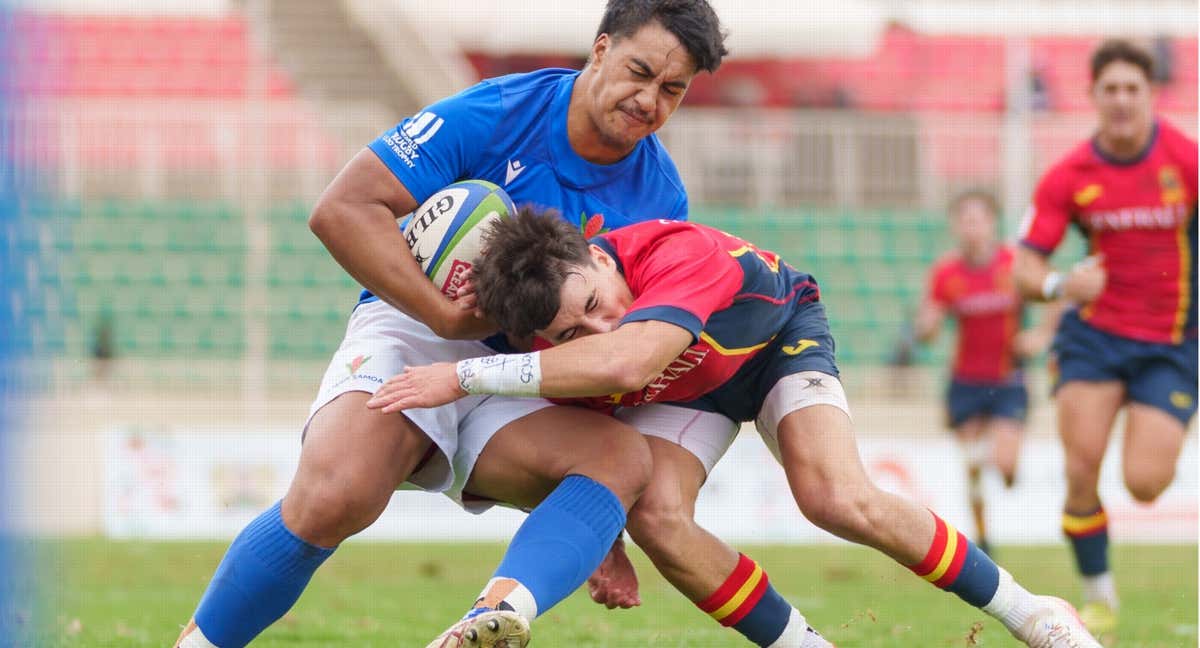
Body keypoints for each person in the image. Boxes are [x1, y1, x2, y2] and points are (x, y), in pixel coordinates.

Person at [172, 2, 740, 647]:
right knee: (337, 497)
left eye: (672, 89)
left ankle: (484, 626)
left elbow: (623, 347)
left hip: (530, 369)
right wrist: (442, 312)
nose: (648, 100)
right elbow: (344, 208)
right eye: (639, 71)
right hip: (418, 329)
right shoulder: (497, 112)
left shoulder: (663, 198)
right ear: (602, 48)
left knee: (620, 458)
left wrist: (599, 521)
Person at [369, 210, 1105, 648]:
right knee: (658, 516)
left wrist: (463, 375)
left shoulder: (677, 253)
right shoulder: (547, 344)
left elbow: (631, 358)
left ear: (598, 256)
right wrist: (608, 544)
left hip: (774, 341)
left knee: (834, 497)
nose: (598, 323)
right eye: (571, 332)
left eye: (596, 299)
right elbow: (593, 419)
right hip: (687, 390)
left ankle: (1035, 613)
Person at [1012, 38, 1197, 635]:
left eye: (1132, 89)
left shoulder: (1185, 161)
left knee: (1145, 484)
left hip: (1170, 342)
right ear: (1092, 96)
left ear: (1150, 94)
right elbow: (1025, 268)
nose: (1121, 100)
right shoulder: (1069, 175)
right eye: (1109, 89)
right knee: (1081, 468)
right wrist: (1064, 282)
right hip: (1093, 340)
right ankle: (1098, 599)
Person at [914, 190, 1058, 556]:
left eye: (977, 220)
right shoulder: (946, 272)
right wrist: (927, 326)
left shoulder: (1013, 264)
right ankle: (984, 539)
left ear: (992, 223)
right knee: (973, 464)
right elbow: (926, 328)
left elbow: (1055, 294)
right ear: (955, 226)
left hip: (1008, 379)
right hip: (965, 381)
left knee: (1003, 465)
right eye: (964, 220)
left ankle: (1010, 471)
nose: (971, 228)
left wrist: (1040, 335)